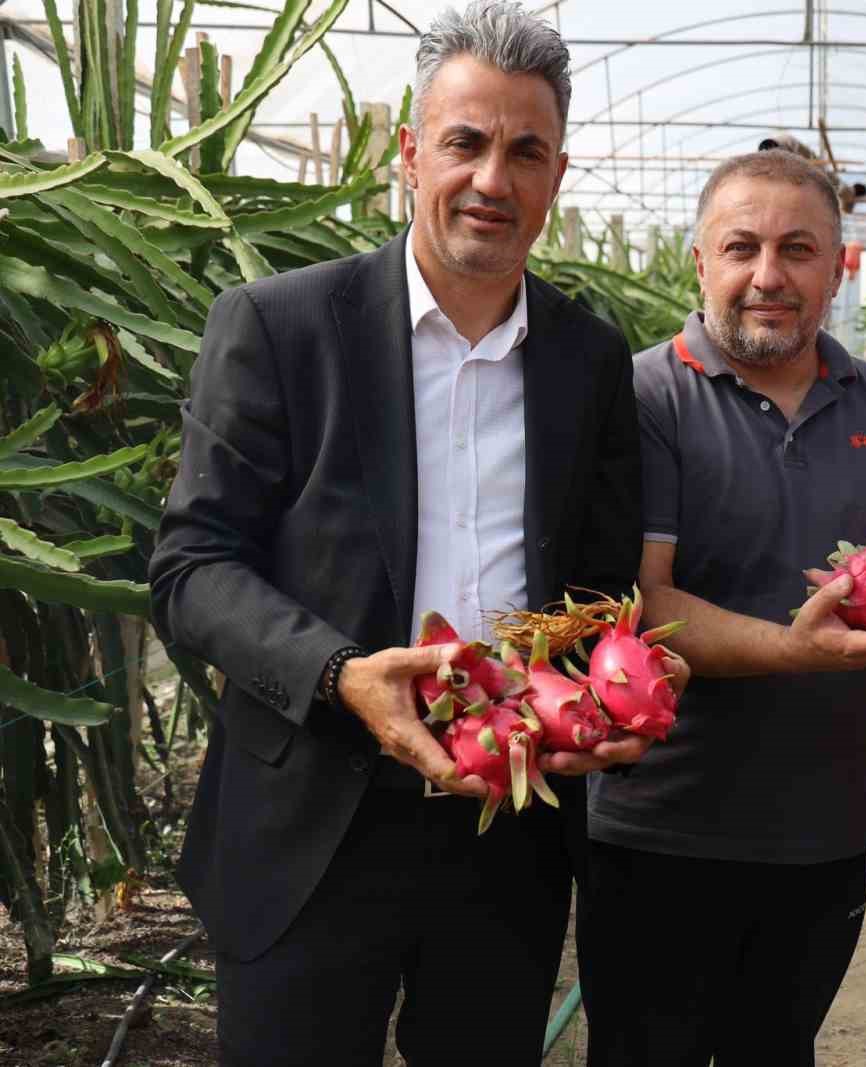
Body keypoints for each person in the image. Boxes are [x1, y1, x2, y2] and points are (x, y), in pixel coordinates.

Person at [147, 4, 666, 1063]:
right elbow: (192, 568)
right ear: (409, 155)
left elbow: (603, 582)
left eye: (525, 151)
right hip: (313, 814)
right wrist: (343, 673)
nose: (492, 180)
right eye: (465, 143)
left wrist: (617, 681)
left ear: (556, 176)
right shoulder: (283, 327)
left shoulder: (586, 358)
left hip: (506, 822)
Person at [577, 147, 866, 1067]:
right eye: (740, 247)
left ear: (836, 264)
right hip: (661, 824)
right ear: (699, 262)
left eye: (799, 249)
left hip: (822, 823)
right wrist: (800, 648)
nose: (768, 276)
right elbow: (643, 598)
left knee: (778, 1048)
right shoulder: (645, 393)